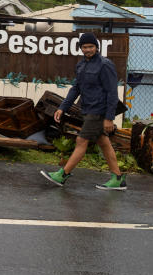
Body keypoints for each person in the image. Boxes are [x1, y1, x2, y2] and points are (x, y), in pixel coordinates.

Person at [40, 32, 126, 190]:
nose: (87, 49)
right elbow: (76, 88)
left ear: (96, 47)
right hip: (87, 109)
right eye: (84, 47)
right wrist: (62, 107)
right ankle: (118, 178)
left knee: (81, 141)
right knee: (103, 142)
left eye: (91, 46)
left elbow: (112, 93)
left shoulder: (105, 65)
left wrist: (109, 118)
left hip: (99, 111)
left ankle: (62, 175)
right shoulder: (81, 65)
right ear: (80, 48)